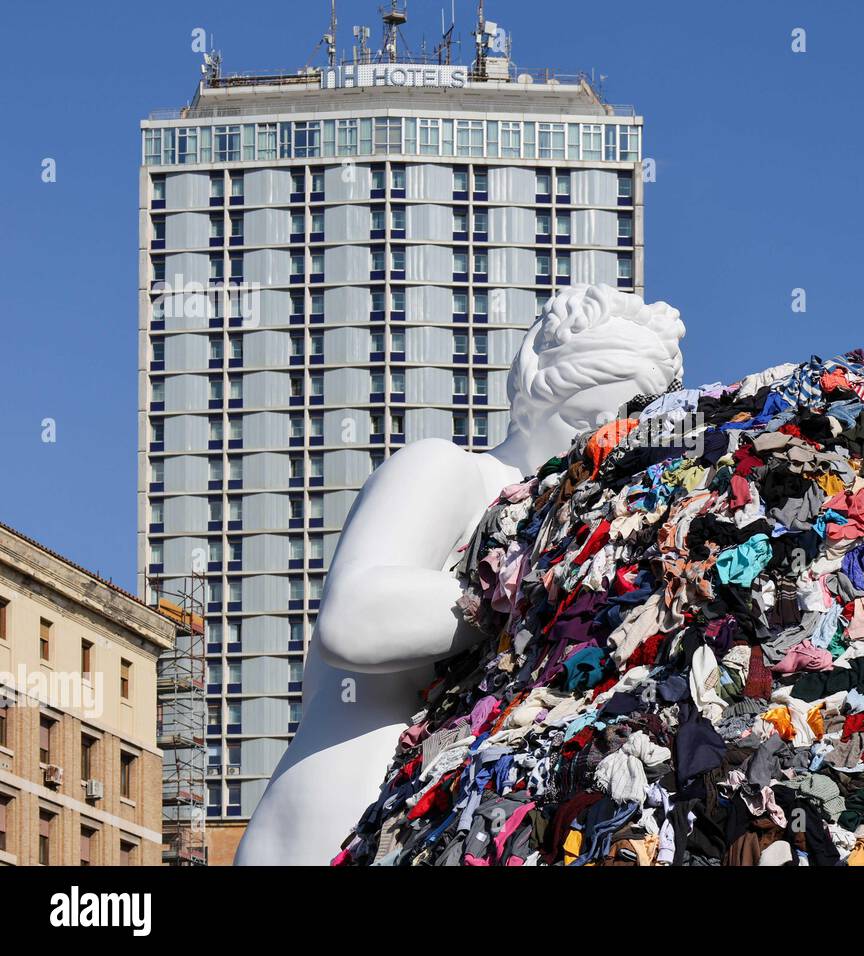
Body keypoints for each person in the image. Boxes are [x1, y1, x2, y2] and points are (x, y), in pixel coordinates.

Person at [235, 284, 686, 865]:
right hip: (334, 822)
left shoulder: (595, 533)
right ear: (534, 401)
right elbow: (353, 620)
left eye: (624, 425)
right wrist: (535, 587)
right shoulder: (451, 472)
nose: (598, 441)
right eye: (582, 418)